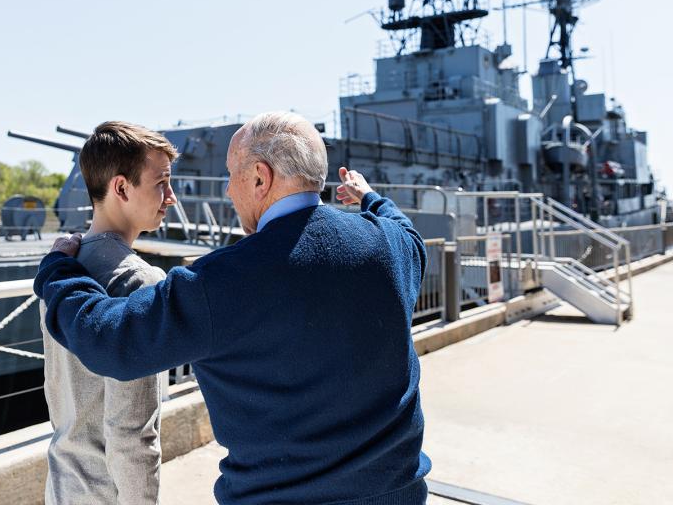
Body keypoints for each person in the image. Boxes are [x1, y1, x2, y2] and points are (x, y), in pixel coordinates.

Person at [36, 111, 432, 505]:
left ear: (260, 178)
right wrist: (371, 199)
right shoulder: (392, 246)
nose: (227, 190)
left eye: (232, 175)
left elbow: (112, 342)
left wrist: (58, 272)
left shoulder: (225, 281)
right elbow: (407, 231)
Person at [40, 121, 178, 504]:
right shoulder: (140, 282)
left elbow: (55, 391)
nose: (172, 197)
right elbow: (133, 432)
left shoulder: (57, 268)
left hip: (61, 487)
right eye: (161, 183)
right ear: (121, 187)